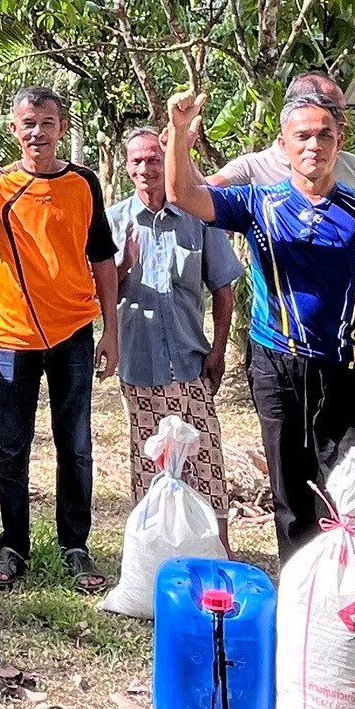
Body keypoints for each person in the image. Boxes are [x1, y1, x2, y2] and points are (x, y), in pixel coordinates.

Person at [166, 84, 355, 569]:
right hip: (275, 366)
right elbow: (184, 194)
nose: (313, 146)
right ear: (282, 146)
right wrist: (179, 133)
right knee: (291, 487)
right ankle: (303, 589)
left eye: (325, 135)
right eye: (302, 136)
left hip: (346, 370)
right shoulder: (259, 203)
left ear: (339, 141)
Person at [0, 87, 120, 593]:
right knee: (11, 449)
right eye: (28, 123)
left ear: (61, 128)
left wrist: (112, 332)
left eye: (47, 122)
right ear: (14, 130)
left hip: (74, 334)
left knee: (75, 446)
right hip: (13, 337)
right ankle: (12, 545)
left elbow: (102, 257)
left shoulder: (85, 183)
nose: (37, 132)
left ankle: (74, 546)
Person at [111, 126, 239, 527]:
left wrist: (217, 351)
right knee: (152, 463)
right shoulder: (113, 221)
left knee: (205, 462)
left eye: (154, 158)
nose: (146, 167)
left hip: (190, 362)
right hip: (139, 364)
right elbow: (95, 295)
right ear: (127, 168)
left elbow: (223, 289)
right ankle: (159, 549)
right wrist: (123, 265)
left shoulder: (197, 217)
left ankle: (217, 546)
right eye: (138, 160)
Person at [209, 72, 355, 198]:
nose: (343, 120)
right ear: (301, 108)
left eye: (342, 111)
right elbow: (204, 193)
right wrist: (182, 141)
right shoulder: (253, 167)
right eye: (333, 110)